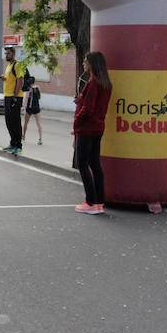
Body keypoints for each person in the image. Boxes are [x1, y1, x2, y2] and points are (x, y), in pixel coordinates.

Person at [72, 51, 112, 215]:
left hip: (87, 127)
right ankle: (99, 202)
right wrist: (81, 100)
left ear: (92, 64)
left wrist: (77, 122)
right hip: (98, 127)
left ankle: (90, 202)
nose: (83, 63)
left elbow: (88, 109)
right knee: (95, 164)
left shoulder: (93, 83)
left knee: (82, 163)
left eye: (85, 61)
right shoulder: (105, 83)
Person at [0, 46, 25, 154]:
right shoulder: (9, 66)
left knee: (15, 122)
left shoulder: (18, 65)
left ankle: (18, 146)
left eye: (8, 53)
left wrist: (15, 95)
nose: (6, 55)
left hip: (15, 97)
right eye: (5, 53)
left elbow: (20, 80)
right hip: (7, 96)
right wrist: (4, 78)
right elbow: (11, 79)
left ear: (13, 54)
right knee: (8, 121)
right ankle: (12, 143)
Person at [22, 76, 43, 145]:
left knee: (26, 122)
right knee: (39, 123)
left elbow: (26, 98)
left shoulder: (29, 89)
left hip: (29, 108)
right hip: (37, 107)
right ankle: (40, 139)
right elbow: (39, 97)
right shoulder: (38, 87)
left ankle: (23, 136)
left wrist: (23, 106)